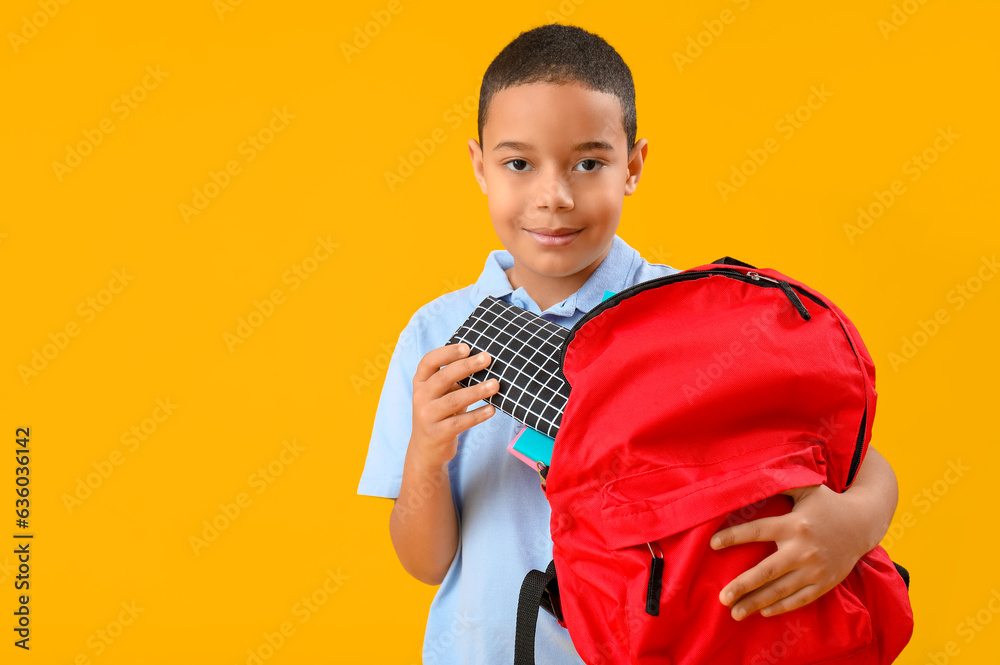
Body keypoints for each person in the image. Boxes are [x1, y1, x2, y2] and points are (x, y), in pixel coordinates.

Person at [357, 23, 900, 665]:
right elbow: (426, 564)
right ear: (479, 166)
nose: (553, 196)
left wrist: (853, 527)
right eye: (518, 163)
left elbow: (857, 462)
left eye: (588, 163)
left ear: (633, 166)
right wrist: (424, 452)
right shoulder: (438, 334)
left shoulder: (694, 316)